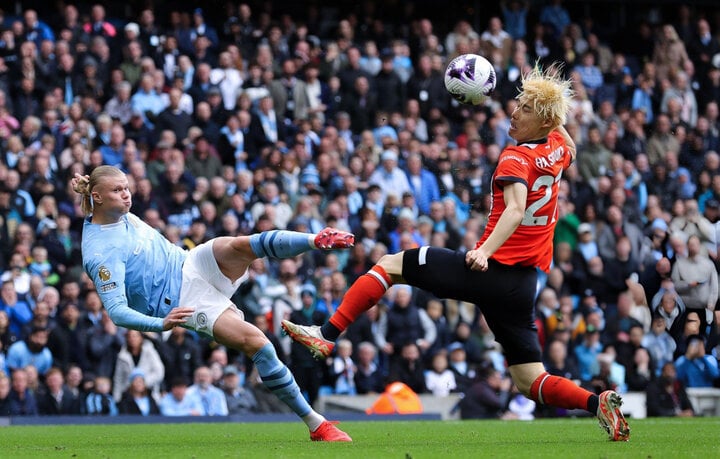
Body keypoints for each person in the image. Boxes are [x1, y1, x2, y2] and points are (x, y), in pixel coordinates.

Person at [284, 64, 630, 441]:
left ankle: (327, 334)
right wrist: (547, 100)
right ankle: (599, 404)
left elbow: (515, 210)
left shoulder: (516, 158)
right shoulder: (560, 148)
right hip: (523, 283)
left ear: (544, 121)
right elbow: (567, 141)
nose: (514, 113)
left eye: (526, 109)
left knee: (390, 264)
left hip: (490, 270)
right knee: (529, 379)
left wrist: (483, 251)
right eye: (518, 104)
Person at [71, 165, 353, 441]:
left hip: (188, 262)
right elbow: (117, 312)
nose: (126, 195)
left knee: (239, 245)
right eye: (118, 190)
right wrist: (161, 324)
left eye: (127, 188)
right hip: (182, 299)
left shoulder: (115, 212)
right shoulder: (100, 253)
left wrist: (89, 184)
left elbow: (99, 200)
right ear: (97, 197)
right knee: (259, 344)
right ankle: (317, 424)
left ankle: (317, 239)